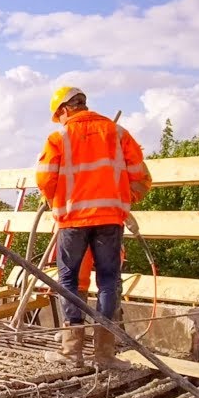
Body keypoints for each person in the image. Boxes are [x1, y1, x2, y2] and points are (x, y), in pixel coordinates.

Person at [36, 87, 152, 366]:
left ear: (64, 110)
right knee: (109, 281)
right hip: (110, 219)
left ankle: (72, 352)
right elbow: (141, 176)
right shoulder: (118, 133)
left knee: (69, 281)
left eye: (58, 116)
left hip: (72, 220)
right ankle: (104, 354)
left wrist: (53, 200)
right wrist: (123, 199)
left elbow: (44, 178)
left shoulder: (59, 137)